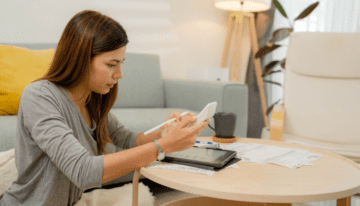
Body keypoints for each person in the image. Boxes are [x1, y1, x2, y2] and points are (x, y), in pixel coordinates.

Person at [0, 10, 209, 206]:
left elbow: (128, 140)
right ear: (81, 59)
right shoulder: (39, 96)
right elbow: (83, 171)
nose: (119, 74)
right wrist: (163, 146)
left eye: (121, 64)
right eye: (111, 64)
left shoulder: (92, 100)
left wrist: (165, 131)